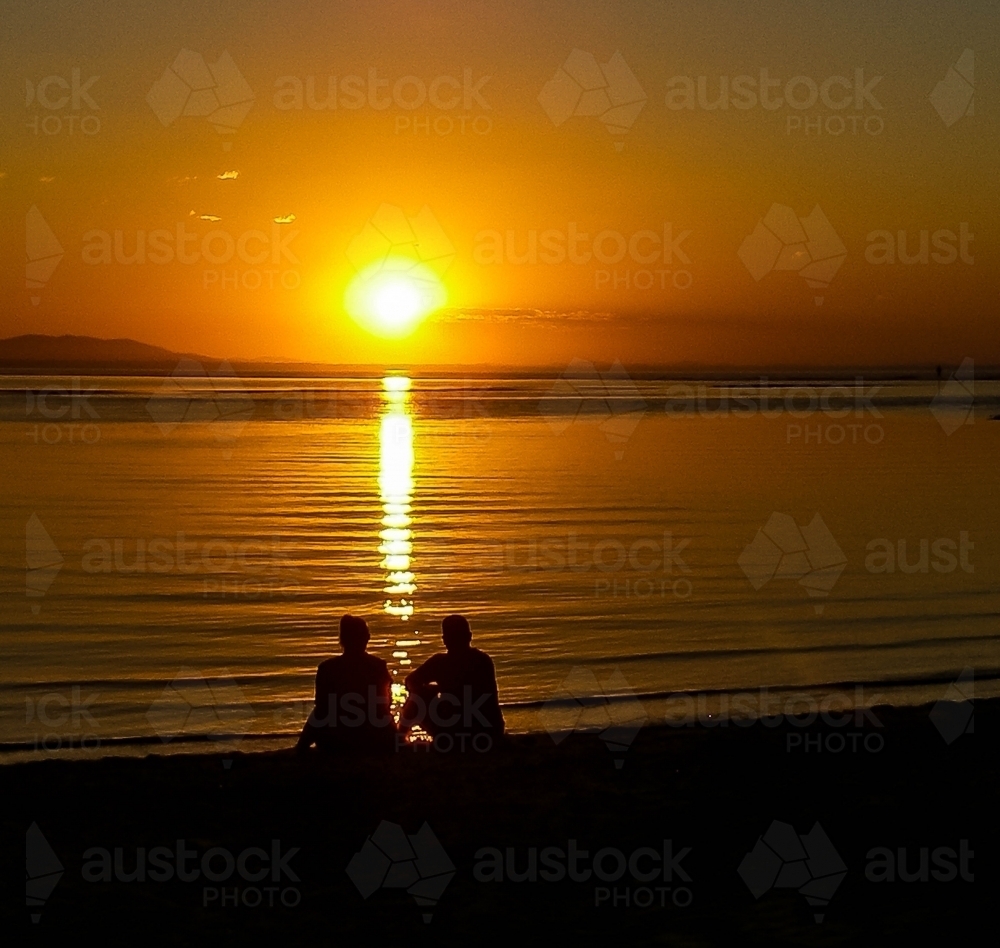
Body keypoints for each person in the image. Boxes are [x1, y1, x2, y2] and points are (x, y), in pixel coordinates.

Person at [296, 614, 396, 753]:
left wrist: (303, 744)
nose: (368, 637)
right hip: (375, 738)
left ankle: (301, 748)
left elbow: (321, 710)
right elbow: (385, 705)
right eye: (366, 635)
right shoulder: (378, 666)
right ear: (365, 638)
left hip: (338, 739)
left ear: (342, 640)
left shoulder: (327, 668)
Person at [399, 614, 504, 740]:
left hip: (459, 730)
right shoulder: (483, 660)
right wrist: (436, 689)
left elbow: (410, 681)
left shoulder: (441, 663)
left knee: (416, 699)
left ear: (444, 639)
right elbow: (410, 681)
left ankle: (399, 739)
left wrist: (430, 690)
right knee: (421, 696)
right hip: (489, 730)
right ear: (470, 636)